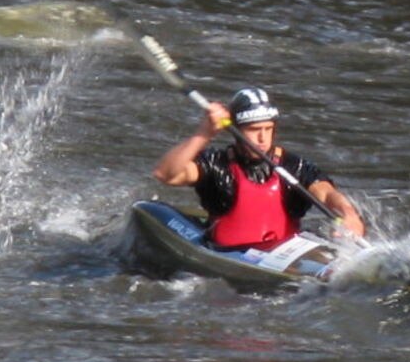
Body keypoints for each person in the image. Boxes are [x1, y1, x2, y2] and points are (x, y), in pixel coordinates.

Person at [153, 87, 365, 251]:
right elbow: (166, 174)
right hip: (229, 253)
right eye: (254, 130)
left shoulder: (293, 166)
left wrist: (348, 215)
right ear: (235, 131)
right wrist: (204, 133)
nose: (262, 138)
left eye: (268, 129)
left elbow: (327, 193)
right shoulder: (216, 165)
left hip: (283, 254)